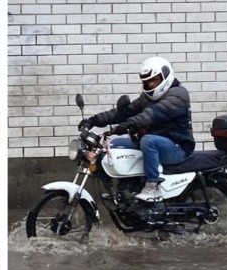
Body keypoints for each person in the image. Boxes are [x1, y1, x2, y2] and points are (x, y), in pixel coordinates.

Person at [78, 56, 195, 202]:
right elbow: (125, 111)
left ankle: (153, 188)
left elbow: (151, 115)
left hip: (178, 147)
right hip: (159, 142)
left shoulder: (178, 95)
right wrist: (94, 120)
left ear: (166, 75)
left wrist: (129, 125)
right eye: (147, 81)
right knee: (115, 144)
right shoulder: (147, 97)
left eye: (155, 80)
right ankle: (124, 187)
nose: (151, 84)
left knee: (148, 141)